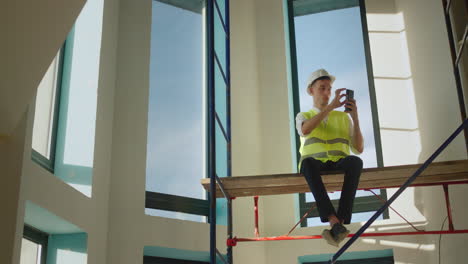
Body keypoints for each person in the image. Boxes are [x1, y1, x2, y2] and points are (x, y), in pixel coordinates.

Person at [296, 69, 364, 247]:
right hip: (314, 164)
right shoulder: (303, 116)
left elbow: (359, 149)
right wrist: (329, 108)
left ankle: (337, 221)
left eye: (329, 89)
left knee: (355, 161)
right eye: (322, 88)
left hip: (338, 163)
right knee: (307, 164)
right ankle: (335, 221)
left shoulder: (343, 118)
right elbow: (305, 130)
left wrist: (355, 118)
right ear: (311, 90)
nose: (327, 92)